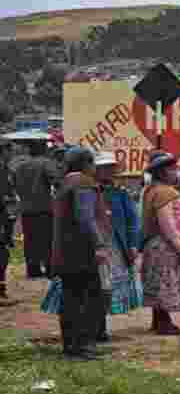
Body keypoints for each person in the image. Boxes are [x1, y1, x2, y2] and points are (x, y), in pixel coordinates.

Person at [50, 147, 108, 360]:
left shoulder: (65, 183)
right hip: (81, 253)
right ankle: (80, 346)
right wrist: (99, 245)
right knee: (85, 299)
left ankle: (72, 346)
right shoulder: (83, 183)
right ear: (86, 164)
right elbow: (86, 218)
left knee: (71, 299)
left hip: (65, 251)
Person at [141, 152, 180, 335]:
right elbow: (167, 223)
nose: (177, 172)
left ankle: (159, 321)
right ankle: (164, 324)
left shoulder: (151, 190)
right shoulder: (165, 193)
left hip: (156, 243)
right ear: (163, 172)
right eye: (172, 169)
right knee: (167, 283)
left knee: (160, 283)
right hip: (166, 244)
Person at [94, 152, 144, 341]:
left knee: (108, 287)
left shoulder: (120, 193)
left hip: (116, 246)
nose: (107, 171)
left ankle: (101, 326)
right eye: (103, 168)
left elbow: (132, 221)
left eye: (109, 167)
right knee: (97, 286)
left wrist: (133, 245)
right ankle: (96, 326)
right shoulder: (89, 191)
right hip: (96, 246)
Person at [14, 140, 58, 279]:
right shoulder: (46, 163)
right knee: (47, 239)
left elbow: (15, 183)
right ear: (42, 148)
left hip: (26, 208)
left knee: (30, 239)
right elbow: (56, 180)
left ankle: (32, 269)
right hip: (44, 207)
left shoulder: (20, 166)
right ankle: (49, 268)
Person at [0, 143, 17, 299]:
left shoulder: (6, 169)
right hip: (2, 216)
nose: (11, 154)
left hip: (5, 216)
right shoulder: (2, 169)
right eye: (9, 151)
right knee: (2, 254)